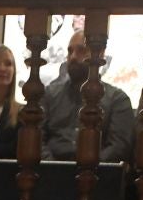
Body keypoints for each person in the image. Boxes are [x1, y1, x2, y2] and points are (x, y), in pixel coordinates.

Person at [40, 28, 136, 165]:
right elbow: (37, 139)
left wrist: (88, 168)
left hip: (98, 173)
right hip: (50, 171)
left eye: (81, 50)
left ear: (100, 54)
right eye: (70, 51)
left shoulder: (118, 100)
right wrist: (55, 168)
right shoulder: (49, 95)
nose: (73, 57)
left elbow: (118, 147)